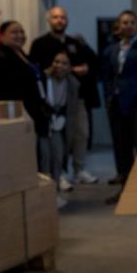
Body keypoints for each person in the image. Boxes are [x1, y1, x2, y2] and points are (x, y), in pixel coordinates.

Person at [29, 6, 100, 189]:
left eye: (62, 17)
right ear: (49, 20)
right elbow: (35, 70)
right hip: (51, 101)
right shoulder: (40, 44)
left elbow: (89, 65)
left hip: (75, 98)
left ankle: (79, 170)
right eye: (55, 17)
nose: (59, 20)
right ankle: (58, 173)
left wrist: (76, 68)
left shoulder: (74, 43)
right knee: (56, 140)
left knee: (81, 133)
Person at [100, 10, 137, 200]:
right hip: (116, 105)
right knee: (121, 146)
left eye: (133, 22)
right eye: (125, 22)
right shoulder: (111, 49)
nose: (129, 25)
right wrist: (108, 97)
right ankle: (125, 188)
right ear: (119, 26)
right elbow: (106, 77)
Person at [0, 21, 49, 145]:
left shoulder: (24, 55)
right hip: (16, 116)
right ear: (2, 36)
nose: (20, 35)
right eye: (14, 32)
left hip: (34, 112)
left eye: (22, 32)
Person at [44, 50, 80, 208]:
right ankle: (44, 194)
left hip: (59, 123)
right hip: (43, 123)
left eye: (64, 63)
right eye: (56, 61)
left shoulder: (72, 84)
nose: (59, 66)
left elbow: (71, 108)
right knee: (45, 158)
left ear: (70, 67)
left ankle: (55, 191)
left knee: (58, 157)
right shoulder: (43, 78)